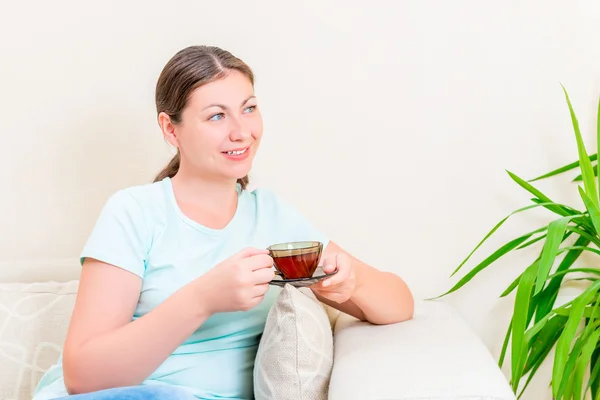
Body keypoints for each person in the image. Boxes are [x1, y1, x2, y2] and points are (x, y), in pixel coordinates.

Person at [32, 45, 414, 400]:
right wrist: (202, 299)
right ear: (170, 129)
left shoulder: (272, 217)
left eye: (248, 108)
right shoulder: (134, 212)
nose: (241, 132)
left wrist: (352, 283)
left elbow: (400, 304)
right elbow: (83, 375)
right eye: (217, 115)